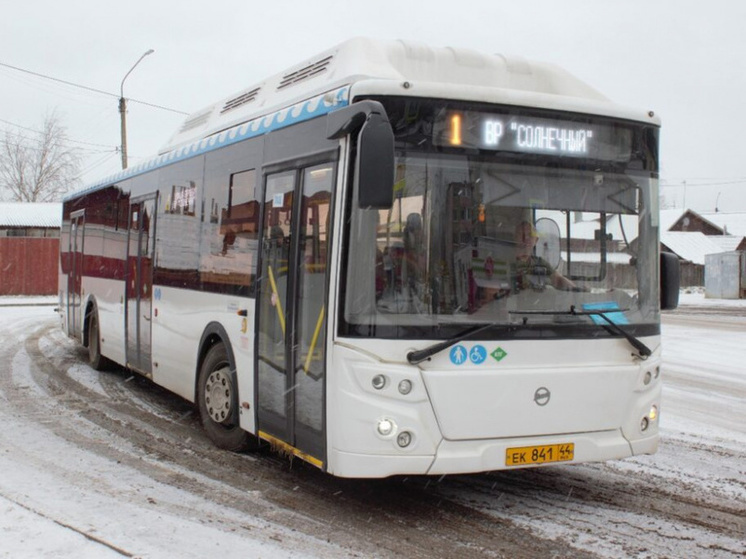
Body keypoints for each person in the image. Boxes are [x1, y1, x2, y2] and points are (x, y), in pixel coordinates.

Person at [513, 220, 577, 291]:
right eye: (521, 234)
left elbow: (558, 280)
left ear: (536, 240)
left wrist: (576, 290)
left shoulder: (539, 263)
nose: (526, 239)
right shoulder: (507, 261)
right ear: (515, 237)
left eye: (530, 235)